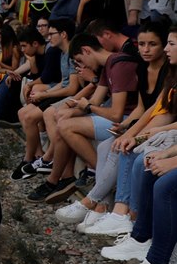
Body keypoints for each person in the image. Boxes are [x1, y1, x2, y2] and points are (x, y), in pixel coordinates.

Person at [57, 22, 172, 232]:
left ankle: (102, 205)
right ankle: (102, 206)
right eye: (142, 44)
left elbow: (159, 110)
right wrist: (126, 126)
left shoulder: (167, 71)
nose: (145, 50)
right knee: (105, 146)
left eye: (152, 44)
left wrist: (131, 133)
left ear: (164, 46)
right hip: (145, 122)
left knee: (122, 148)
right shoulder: (144, 67)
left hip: (162, 126)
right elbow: (141, 107)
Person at [30, 32, 139, 204]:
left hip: (126, 120)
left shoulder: (119, 64)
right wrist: (73, 110)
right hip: (115, 116)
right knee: (64, 120)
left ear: (86, 50)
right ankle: (59, 178)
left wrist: (86, 107)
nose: (82, 67)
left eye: (80, 61)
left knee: (66, 127)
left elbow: (115, 113)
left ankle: (100, 176)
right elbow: (95, 100)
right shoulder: (109, 64)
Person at [14, 19, 80, 179]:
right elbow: (61, 82)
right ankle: (37, 155)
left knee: (31, 116)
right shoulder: (63, 54)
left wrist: (46, 94)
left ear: (63, 34)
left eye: (51, 34)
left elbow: (72, 88)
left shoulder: (71, 54)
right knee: (23, 113)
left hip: (70, 96)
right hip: (62, 92)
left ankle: (37, 158)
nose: (48, 37)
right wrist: (45, 93)